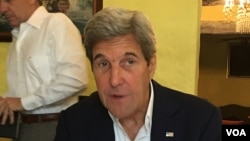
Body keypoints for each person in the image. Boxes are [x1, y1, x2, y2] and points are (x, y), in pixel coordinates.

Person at [54, 7, 222, 141]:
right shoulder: (74, 123)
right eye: (103, 64)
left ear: (151, 66)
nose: (114, 80)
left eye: (129, 62)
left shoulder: (200, 120)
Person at [0, 0, 88, 141]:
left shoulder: (56, 24)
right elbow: (22, 91)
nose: (2, 8)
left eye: (8, 1)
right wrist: (5, 101)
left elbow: (75, 79)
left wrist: (23, 103)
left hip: (53, 128)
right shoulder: (17, 36)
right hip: (20, 129)